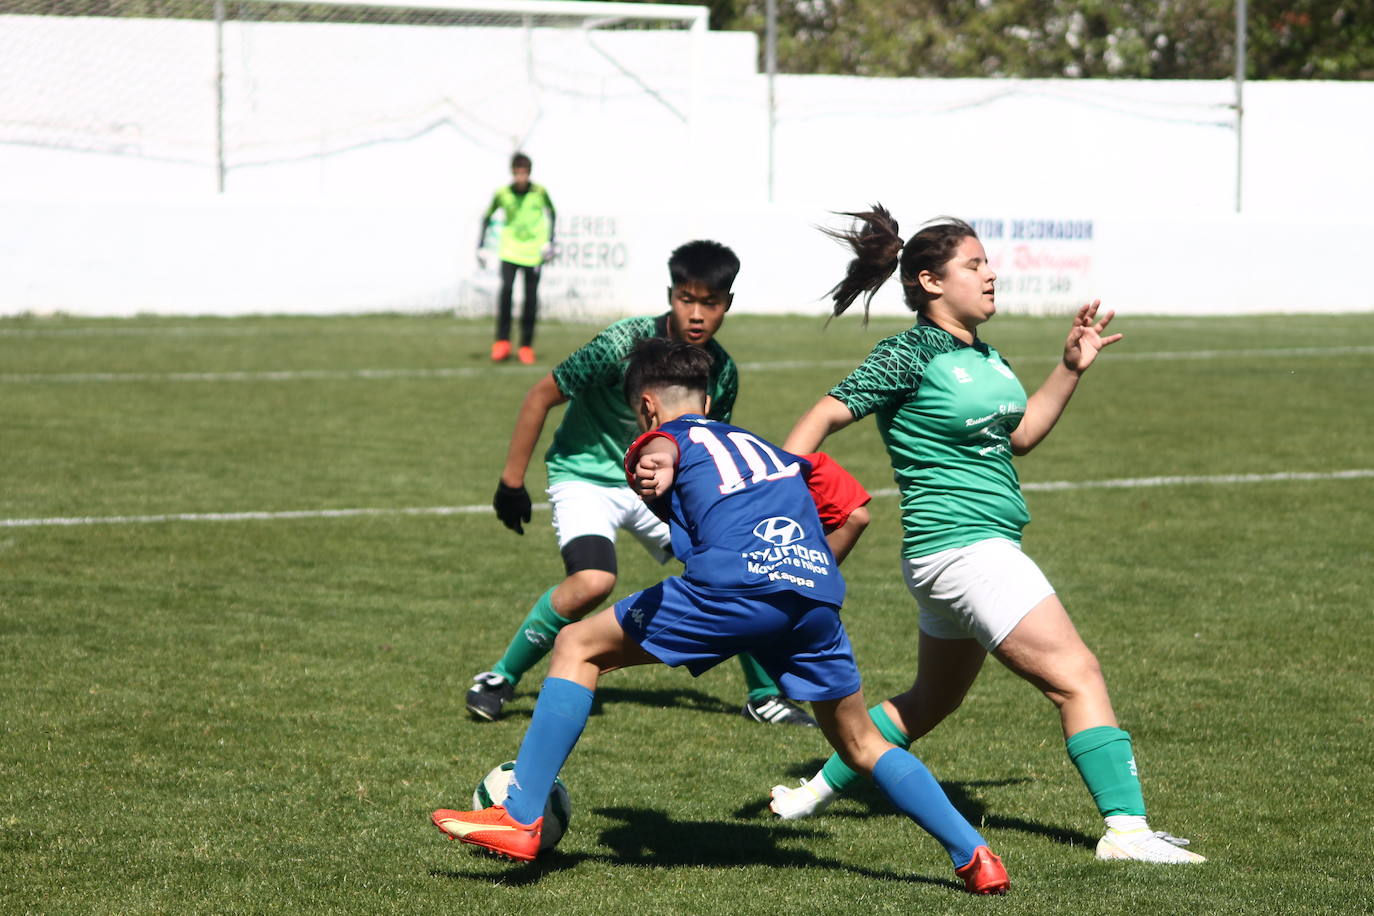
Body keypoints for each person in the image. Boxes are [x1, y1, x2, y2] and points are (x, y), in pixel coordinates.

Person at [432, 338, 1011, 895]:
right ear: (709, 402)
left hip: (730, 591)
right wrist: (795, 569)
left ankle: (522, 815)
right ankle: (974, 853)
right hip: (812, 598)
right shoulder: (771, 450)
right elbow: (855, 512)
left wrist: (651, 470)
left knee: (577, 646)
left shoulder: (660, 440)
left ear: (646, 406)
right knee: (860, 742)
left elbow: (660, 455)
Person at [766, 206, 1206, 866]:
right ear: (931, 282)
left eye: (987, 262)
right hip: (965, 547)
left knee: (930, 701)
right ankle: (1127, 832)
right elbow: (826, 412)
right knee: (1078, 675)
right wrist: (777, 495)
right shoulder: (908, 352)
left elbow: (1020, 436)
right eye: (974, 265)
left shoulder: (984, 354)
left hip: (955, 553)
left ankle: (811, 793)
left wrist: (1071, 366)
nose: (991, 273)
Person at [469, 240, 818, 727]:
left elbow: (710, 448)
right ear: (670, 294)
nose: (696, 314)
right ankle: (500, 677)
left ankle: (763, 694)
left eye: (710, 303)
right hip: (588, 477)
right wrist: (512, 482)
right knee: (593, 582)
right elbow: (539, 396)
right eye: (686, 299)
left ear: (728, 304)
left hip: (659, 487)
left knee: (735, 565)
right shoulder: (621, 345)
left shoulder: (722, 372)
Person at [478, 152, 556, 364]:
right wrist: (481, 246)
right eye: (517, 173)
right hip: (510, 251)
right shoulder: (502, 193)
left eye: (525, 173)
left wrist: (550, 240)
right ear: (512, 173)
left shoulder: (540, 192)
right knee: (506, 293)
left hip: (533, 253)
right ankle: (502, 343)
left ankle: (526, 346)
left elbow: (552, 212)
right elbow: (486, 216)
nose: (521, 177)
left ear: (529, 173)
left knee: (530, 298)